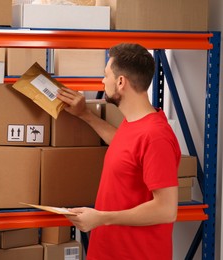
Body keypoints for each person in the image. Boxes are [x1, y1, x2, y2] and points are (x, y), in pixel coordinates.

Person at [56, 43, 181, 260]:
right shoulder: (135, 124)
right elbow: (125, 149)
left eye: (106, 75)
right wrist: (84, 114)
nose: (102, 81)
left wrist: (101, 218)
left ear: (121, 81)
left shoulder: (155, 136)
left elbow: (167, 209)